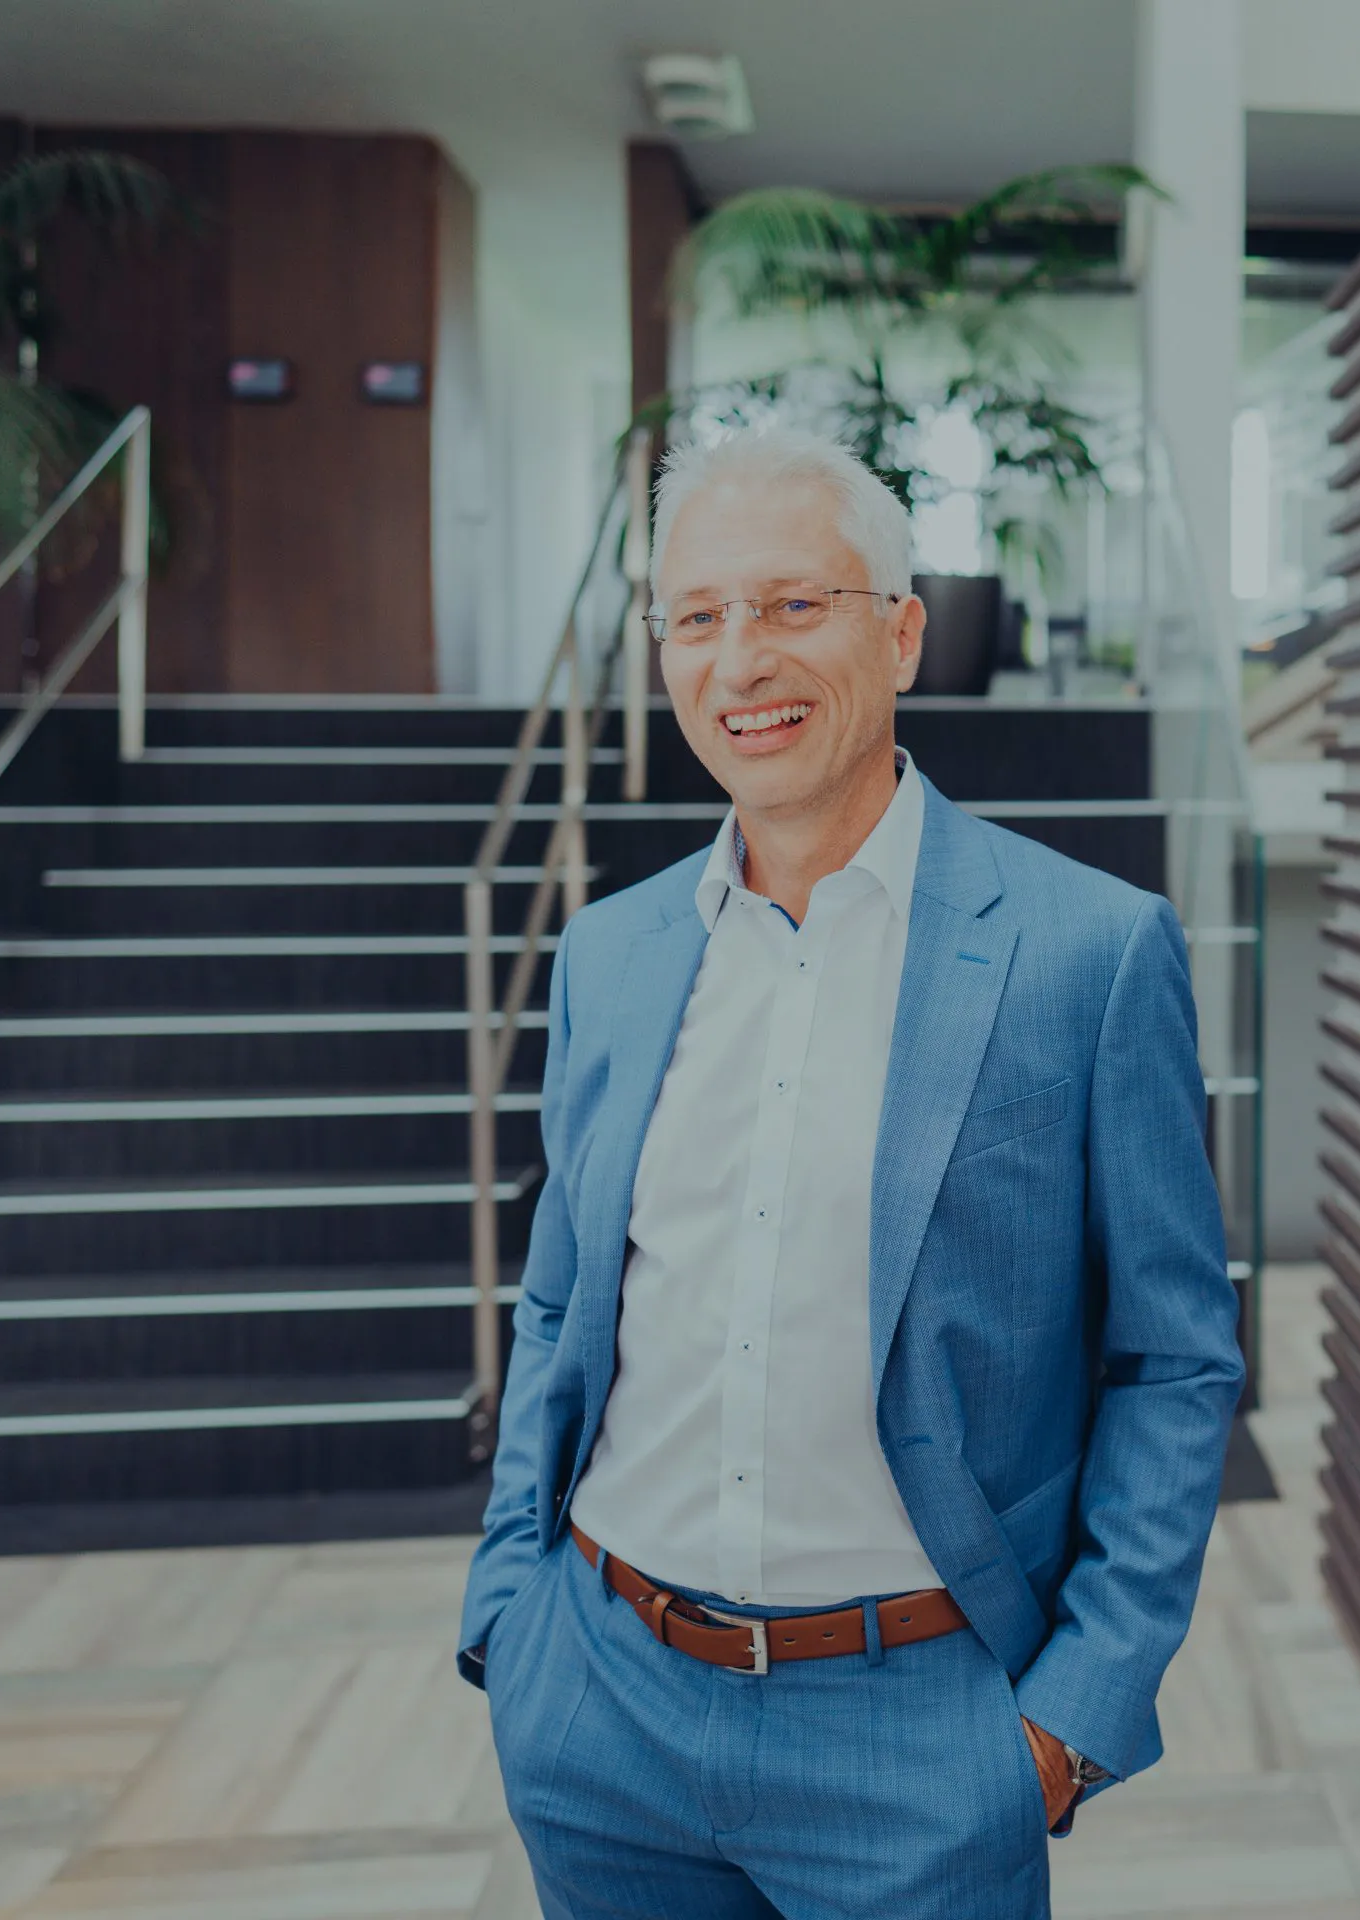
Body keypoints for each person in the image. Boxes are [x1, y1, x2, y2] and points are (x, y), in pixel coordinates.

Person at [458, 425, 1244, 1920]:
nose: (739, 659)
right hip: (601, 1713)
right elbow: (561, 1305)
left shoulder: (1084, 951)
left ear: (899, 632)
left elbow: (1176, 1360)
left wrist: (1068, 1718)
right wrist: (515, 1619)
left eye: (790, 605)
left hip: (921, 1740)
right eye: (697, 618)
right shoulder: (610, 955)